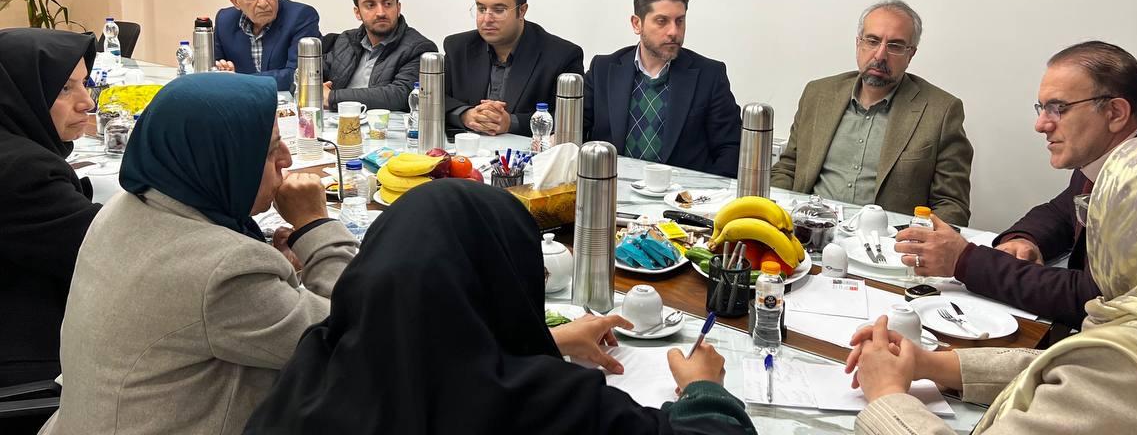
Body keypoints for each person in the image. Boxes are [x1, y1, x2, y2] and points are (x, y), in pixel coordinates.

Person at [243, 178, 755, 434]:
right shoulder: (537, 401)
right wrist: (704, 390)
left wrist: (549, 338)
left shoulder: (314, 367)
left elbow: (424, 341)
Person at [849, 137, 1137, 434]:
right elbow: (1072, 369)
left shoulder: (1133, 372)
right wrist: (935, 365)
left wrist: (887, 396)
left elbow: (1103, 380)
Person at [40, 74, 359, 435]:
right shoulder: (224, 271)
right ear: (220, 160)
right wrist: (316, 226)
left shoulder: (125, 207)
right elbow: (349, 335)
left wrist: (278, 272)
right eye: (271, 150)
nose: (286, 159)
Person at [892, 41, 1137, 328]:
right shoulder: (1120, 154)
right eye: (1042, 109)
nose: (1041, 125)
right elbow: (1061, 211)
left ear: (1115, 113)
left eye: (1058, 108)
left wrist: (965, 261)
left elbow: (1094, 300)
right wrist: (1025, 240)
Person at [771, 0, 973, 225]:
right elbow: (788, 168)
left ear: (911, 54)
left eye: (895, 45)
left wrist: (915, 238)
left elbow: (951, 205)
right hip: (806, 230)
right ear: (858, 43)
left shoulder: (941, 112)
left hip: (887, 241)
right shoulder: (818, 94)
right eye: (872, 40)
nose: (880, 54)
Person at [0, 29, 98, 391]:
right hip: (29, 361)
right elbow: (108, 250)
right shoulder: (23, 172)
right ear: (20, 91)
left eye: (85, 84)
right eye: (65, 89)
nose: (87, 103)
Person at [584, 0, 741, 177]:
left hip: (682, 194)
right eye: (662, 21)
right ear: (637, 24)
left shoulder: (709, 76)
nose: (673, 31)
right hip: (612, 189)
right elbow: (571, 136)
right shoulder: (603, 70)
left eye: (680, 21)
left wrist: (701, 193)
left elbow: (731, 149)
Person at [444, 0, 584, 136]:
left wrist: (511, 122)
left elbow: (572, 119)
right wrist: (465, 114)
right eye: (481, 9)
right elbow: (433, 98)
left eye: (498, 10)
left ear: (522, 11)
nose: (487, 19)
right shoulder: (458, 47)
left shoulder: (561, 56)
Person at [322, 0, 437, 110]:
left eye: (388, 3)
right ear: (357, 13)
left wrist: (331, 97)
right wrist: (313, 88)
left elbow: (401, 95)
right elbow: (310, 73)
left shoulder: (419, 48)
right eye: (370, 5)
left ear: (398, 8)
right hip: (339, 121)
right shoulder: (346, 40)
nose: (381, 13)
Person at [213, 0, 321, 91]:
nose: (263, 3)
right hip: (239, 99)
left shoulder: (301, 16)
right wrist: (222, 70)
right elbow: (211, 70)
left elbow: (299, 74)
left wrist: (239, 81)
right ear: (236, 1)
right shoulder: (224, 21)